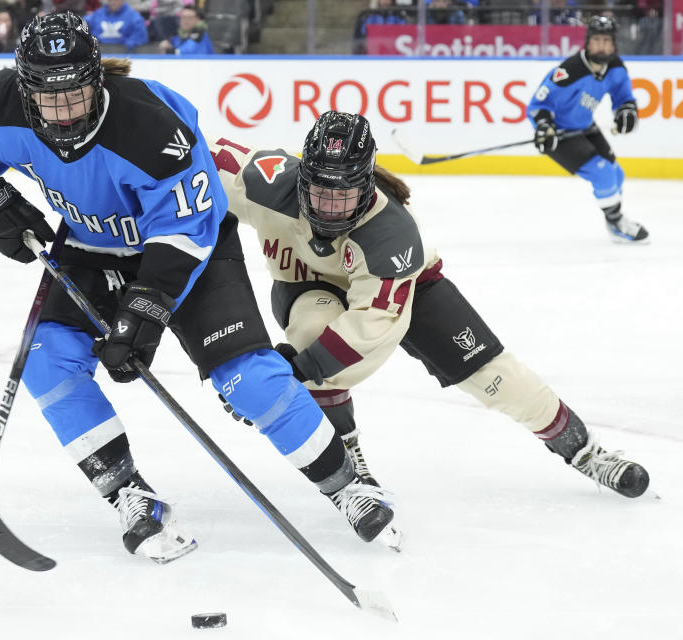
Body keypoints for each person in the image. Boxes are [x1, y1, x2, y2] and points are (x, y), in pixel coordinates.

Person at [0, 13, 400, 564]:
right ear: (25, 88)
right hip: (89, 245)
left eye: (77, 95)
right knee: (45, 358)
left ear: (97, 79)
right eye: (49, 99)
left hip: (188, 249)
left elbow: (187, 228)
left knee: (247, 378)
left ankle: (346, 486)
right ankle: (128, 492)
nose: (64, 114)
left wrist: (143, 312)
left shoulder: (152, 128)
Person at [208, 111, 651, 500]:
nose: (329, 209)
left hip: (404, 289)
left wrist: (292, 375)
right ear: (301, 175)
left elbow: (369, 327)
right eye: (320, 192)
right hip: (307, 287)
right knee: (311, 329)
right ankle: (347, 451)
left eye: (343, 197)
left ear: (365, 187)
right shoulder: (263, 181)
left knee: (495, 375)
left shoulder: (392, 233)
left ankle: (584, 450)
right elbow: (195, 156)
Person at [527, 15, 648, 243]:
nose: (601, 45)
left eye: (606, 40)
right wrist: (544, 126)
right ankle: (617, 222)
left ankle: (613, 219)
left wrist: (626, 112)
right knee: (602, 174)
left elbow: (623, 98)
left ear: (613, 44)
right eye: (597, 40)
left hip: (585, 127)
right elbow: (538, 105)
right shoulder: (568, 72)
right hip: (559, 134)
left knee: (617, 174)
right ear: (587, 42)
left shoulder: (616, 68)